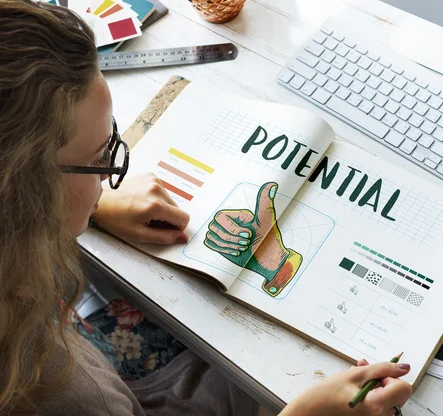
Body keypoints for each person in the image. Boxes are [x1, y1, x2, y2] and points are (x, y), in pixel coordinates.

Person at [0, 1, 413, 415]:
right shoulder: (72, 399)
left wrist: (93, 204)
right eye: (97, 157)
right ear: (28, 195)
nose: (111, 173)